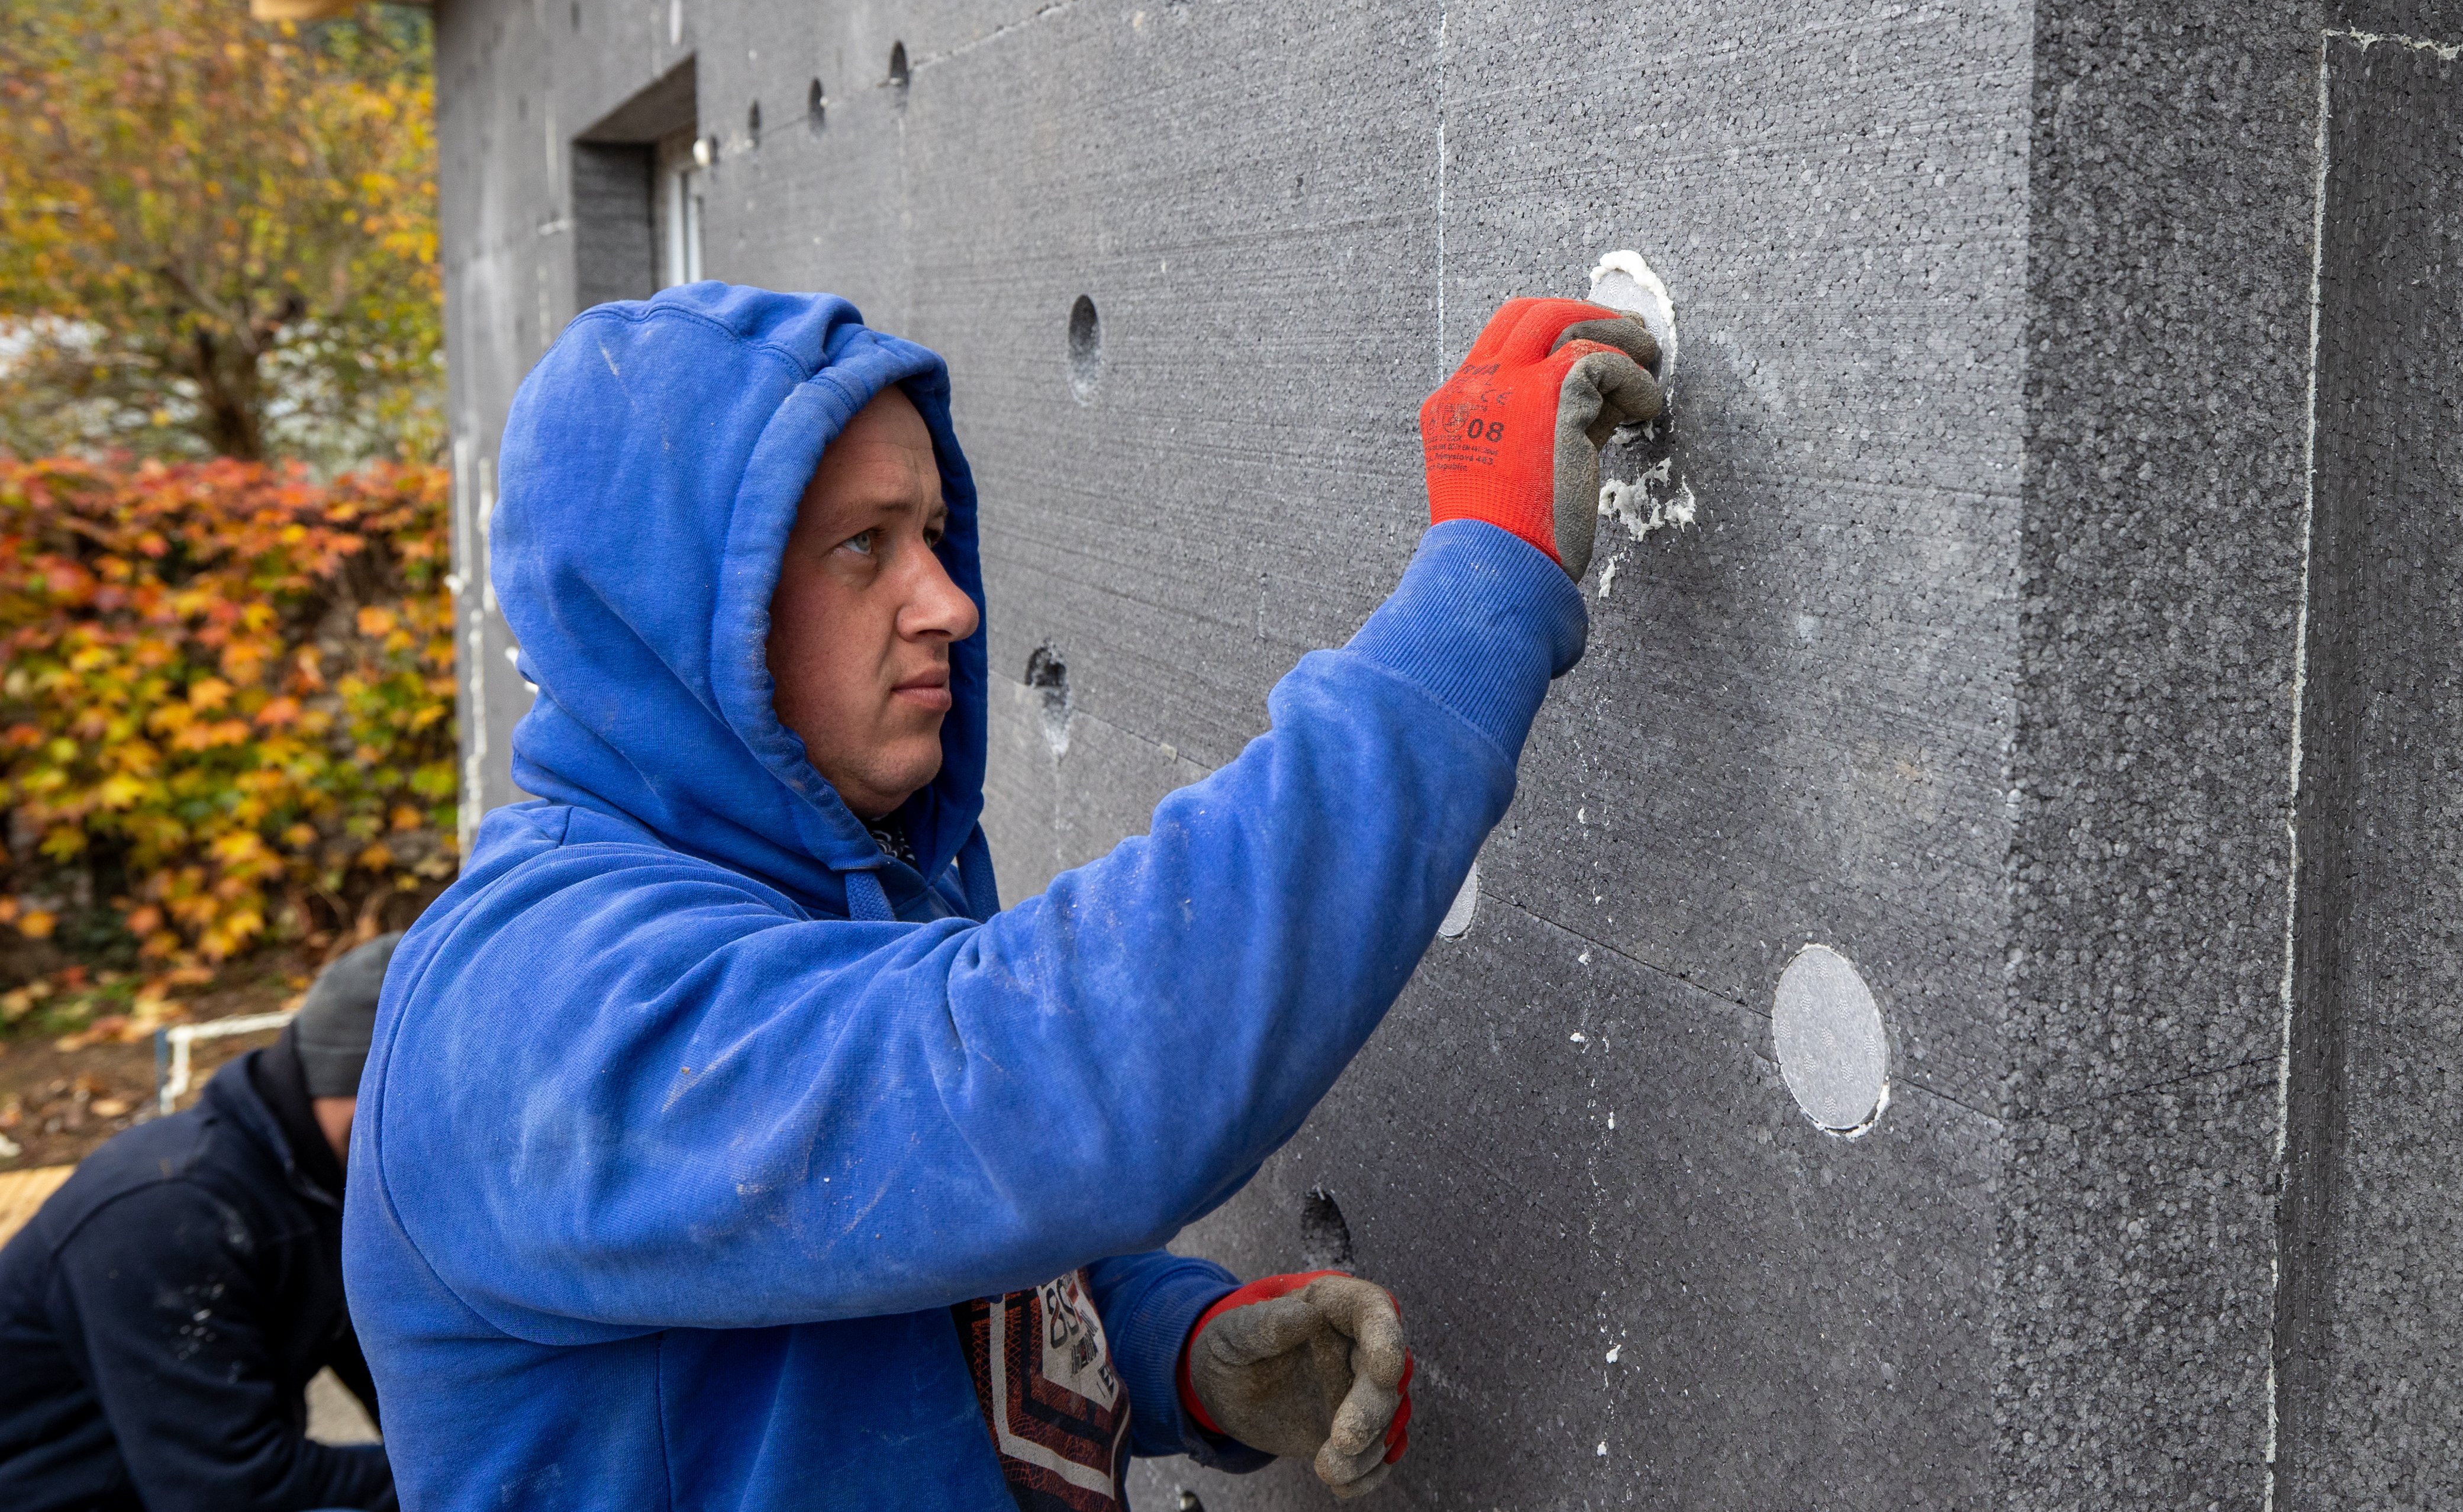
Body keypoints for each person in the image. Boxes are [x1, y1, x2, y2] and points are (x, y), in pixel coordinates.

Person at [347, 283, 1664, 1510]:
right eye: (860, 547)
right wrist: (1477, 590)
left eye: (930, 535)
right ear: (676, 611)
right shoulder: (531, 1005)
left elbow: (872, 1259)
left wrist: (1168, 1348)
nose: (948, 603)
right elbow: (1044, 1082)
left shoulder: (806, 896)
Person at [0, 936, 402, 1511]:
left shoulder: (321, 1176)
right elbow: (234, 1491)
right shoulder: (170, 1213)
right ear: (370, 1093)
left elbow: (399, 1386)